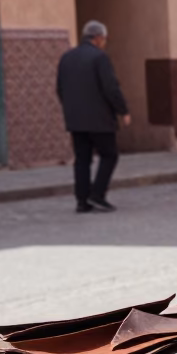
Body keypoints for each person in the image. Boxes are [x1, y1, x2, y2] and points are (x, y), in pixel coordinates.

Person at [56, 20, 130, 213]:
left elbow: (60, 89)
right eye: (104, 39)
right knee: (109, 155)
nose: (104, 42)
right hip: (99, 120)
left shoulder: (66, 57)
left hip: (75, 120)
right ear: (97, 38)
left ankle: (82, 201)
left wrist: (71, 110)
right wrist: (123, 110)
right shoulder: (100, 58)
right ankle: (97, 194)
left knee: (82, 160)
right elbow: (110, 88)